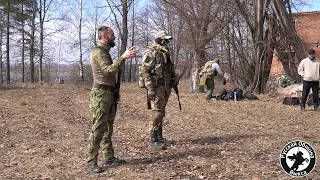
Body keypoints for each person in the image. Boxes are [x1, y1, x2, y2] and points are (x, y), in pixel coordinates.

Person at [87, 26, 138, 173]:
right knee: (98, 128)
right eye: (112, 34)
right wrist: (123, 57)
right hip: (101, 95)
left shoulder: (104, 52)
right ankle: (92, 161)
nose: (114, 37)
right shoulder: (98, 52)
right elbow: (108, 70)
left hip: (108, 93)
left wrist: (115, 91)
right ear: (104, 36)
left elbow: (110, 75)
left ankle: (109, 156)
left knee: (108, 128)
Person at [139, 31, 179, 151]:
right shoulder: (151, 53)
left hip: (165, 87)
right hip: (156, 87)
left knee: (161, 112)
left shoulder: (165, 53)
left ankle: (159, 137)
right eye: (165, 40)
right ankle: (153, 140)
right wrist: (150, 89)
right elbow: (144, 71)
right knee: (157, 113)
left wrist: (174, 78)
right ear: (159, 40)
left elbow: (168, 69)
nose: (167, 43)